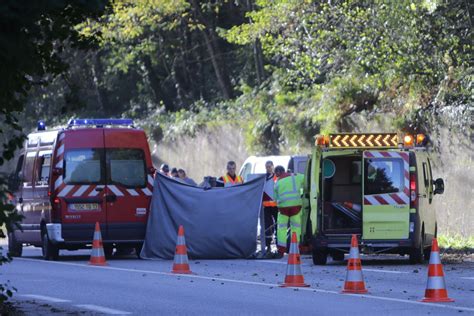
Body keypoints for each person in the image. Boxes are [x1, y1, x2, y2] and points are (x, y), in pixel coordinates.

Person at [274, 165, 305, 257]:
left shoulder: (277, 183)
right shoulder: (296, 176)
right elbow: (306, 179)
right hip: (296, 207)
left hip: (283, 209)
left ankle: (281, 250)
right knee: (296, 228)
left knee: (281, 228)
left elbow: (275, 198)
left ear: (277, 174)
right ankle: (296, 248)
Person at [262, 161, 278, 254]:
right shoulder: (263, 178)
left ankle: (278, 246)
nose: (268, 168)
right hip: (266, 206)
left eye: (270, 166)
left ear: (273, 167)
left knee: (278, 226)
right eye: (267, 167)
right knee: (267, 227)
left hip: (276, 206)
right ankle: (268, 246)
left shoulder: (276, 177)